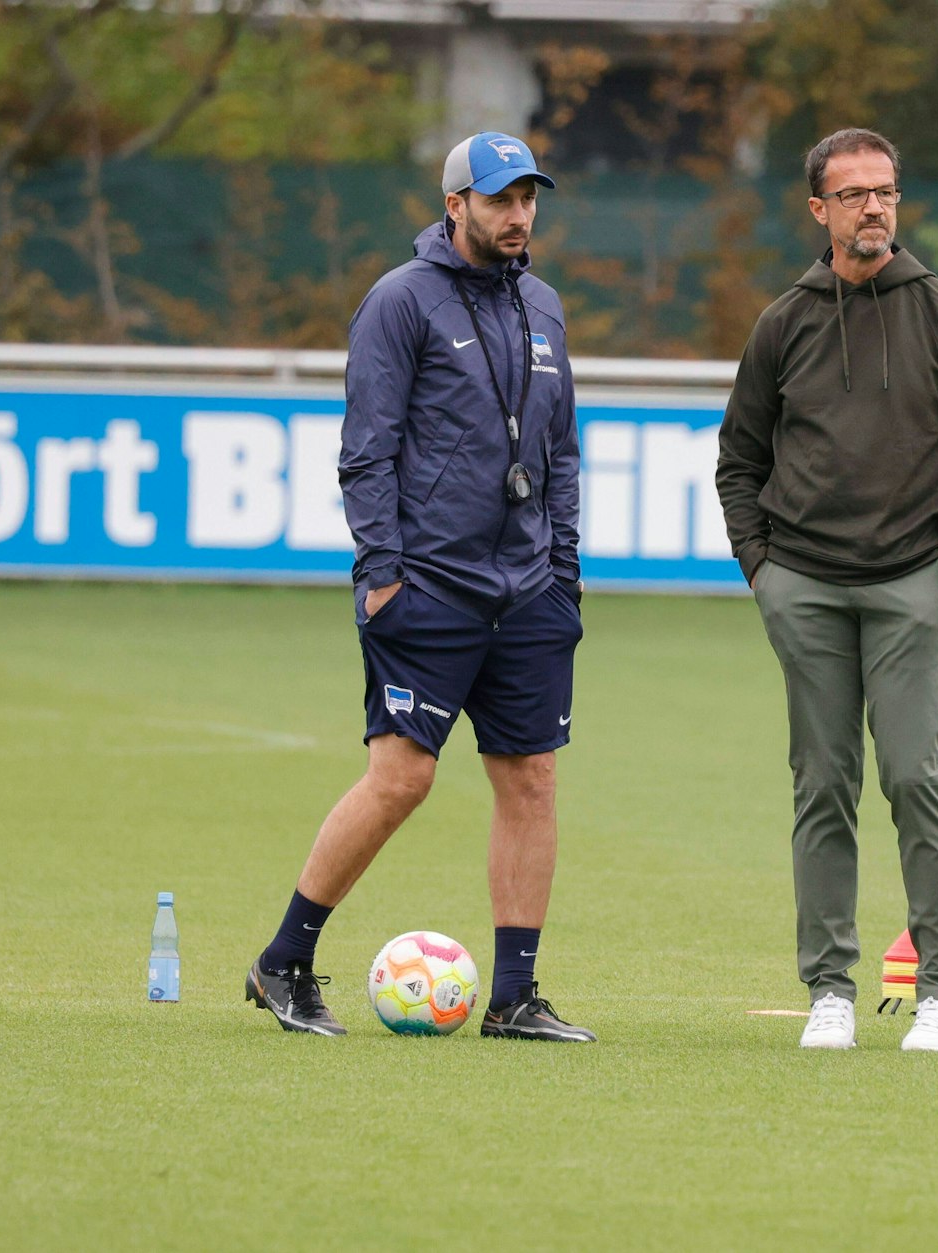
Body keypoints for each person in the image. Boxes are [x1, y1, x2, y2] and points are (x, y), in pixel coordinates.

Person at [245, 132, 593, 1043]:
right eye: (500, 199)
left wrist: (564, 576)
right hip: (429, 586)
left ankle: (514, 997)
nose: (518, 215)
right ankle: (284, 960)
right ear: (456, 206)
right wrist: (383, 576)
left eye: (529, 199)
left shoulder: (546, 308)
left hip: (527, 592)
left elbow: (560, 452)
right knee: (401, 779)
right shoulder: (399, 303)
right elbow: (367, 448)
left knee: (533, 781)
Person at [716, 127, 938, 1052]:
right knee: (823, 784)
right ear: (819, 210)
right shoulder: (783, 324)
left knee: (917, 776)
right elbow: (739, 461)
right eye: (853, 194)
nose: (873, 207)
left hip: (910, 588)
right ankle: (830, 990)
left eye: (885, 190)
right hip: (803, 587)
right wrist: (764, 572)